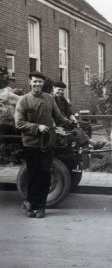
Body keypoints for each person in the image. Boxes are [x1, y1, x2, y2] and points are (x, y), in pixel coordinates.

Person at [15, 72, 76, 218]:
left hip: (48, 142)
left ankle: (40, 206)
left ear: (43, 84)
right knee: (33, 173)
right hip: (31, 143)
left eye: (40, 82)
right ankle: (30, 204)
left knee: (45, 173)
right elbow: (19, 123)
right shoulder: (23, 101)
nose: (37, 85)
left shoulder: (49, 99)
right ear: (29, 82)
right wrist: (37, 127)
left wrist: (69, 123)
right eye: (35, 82)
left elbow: (59, 117)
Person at [52, 81, 106, 149]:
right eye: (59, 89)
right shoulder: (50, 99)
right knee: (74, 128)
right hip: (56, 123)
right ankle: (92, 143)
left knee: (87, 126)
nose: (60, 92)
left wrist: (75, 121)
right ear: (53, 88)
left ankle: (85, 146)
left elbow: (69, 113)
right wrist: (71, 122)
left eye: (62, 90)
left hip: (65, 121)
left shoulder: (63, 99)